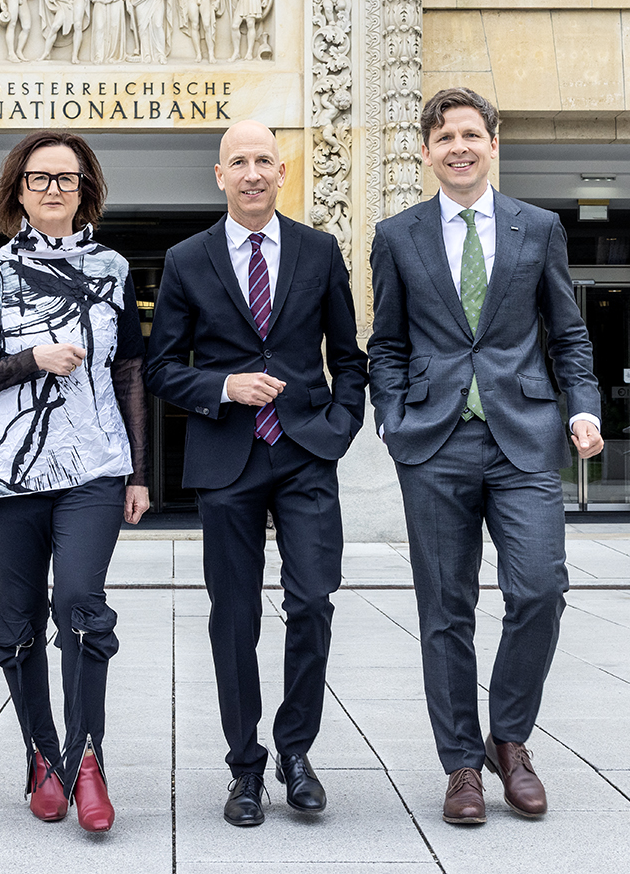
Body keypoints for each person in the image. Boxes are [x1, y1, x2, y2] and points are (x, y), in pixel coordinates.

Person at [366, 87, 603, 825]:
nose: (459, 148)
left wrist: (583, 406)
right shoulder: (397, 235)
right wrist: (392, 418)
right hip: (433, 442)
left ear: (493, 144)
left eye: (471, 134)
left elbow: (567, 332)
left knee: (540, 588)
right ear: (426, 151)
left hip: (523, 436)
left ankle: (510, 737)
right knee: (445, 609)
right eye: (444, 137)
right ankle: (461, 766)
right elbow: (386, 343)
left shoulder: (538, 227)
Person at [146, 121, 367, 826]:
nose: (251, 172)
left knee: (313, 601)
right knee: (234, 616)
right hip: (226, 459)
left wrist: (338, 429)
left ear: (281, 171)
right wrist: (223, 386)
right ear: (219, 176)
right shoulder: (186, 259)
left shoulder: (318, 250)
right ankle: (244, 765)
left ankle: (294, 751)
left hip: (305, 453)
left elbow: (349, 357)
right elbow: (160, 369)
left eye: (263, 160)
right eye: (237, 161)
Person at [0, 130, 149, 833]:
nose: (54, 189)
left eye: (67, 178)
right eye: (40, 178)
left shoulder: (112, 269)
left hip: (93, 466)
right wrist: (31, 359)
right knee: (19, 620)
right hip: (10, 472)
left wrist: (137, 471)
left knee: (79, 605)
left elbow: (129, 371)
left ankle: (86, 760)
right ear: (18, 189)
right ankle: (41, 757)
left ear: (85, 188)